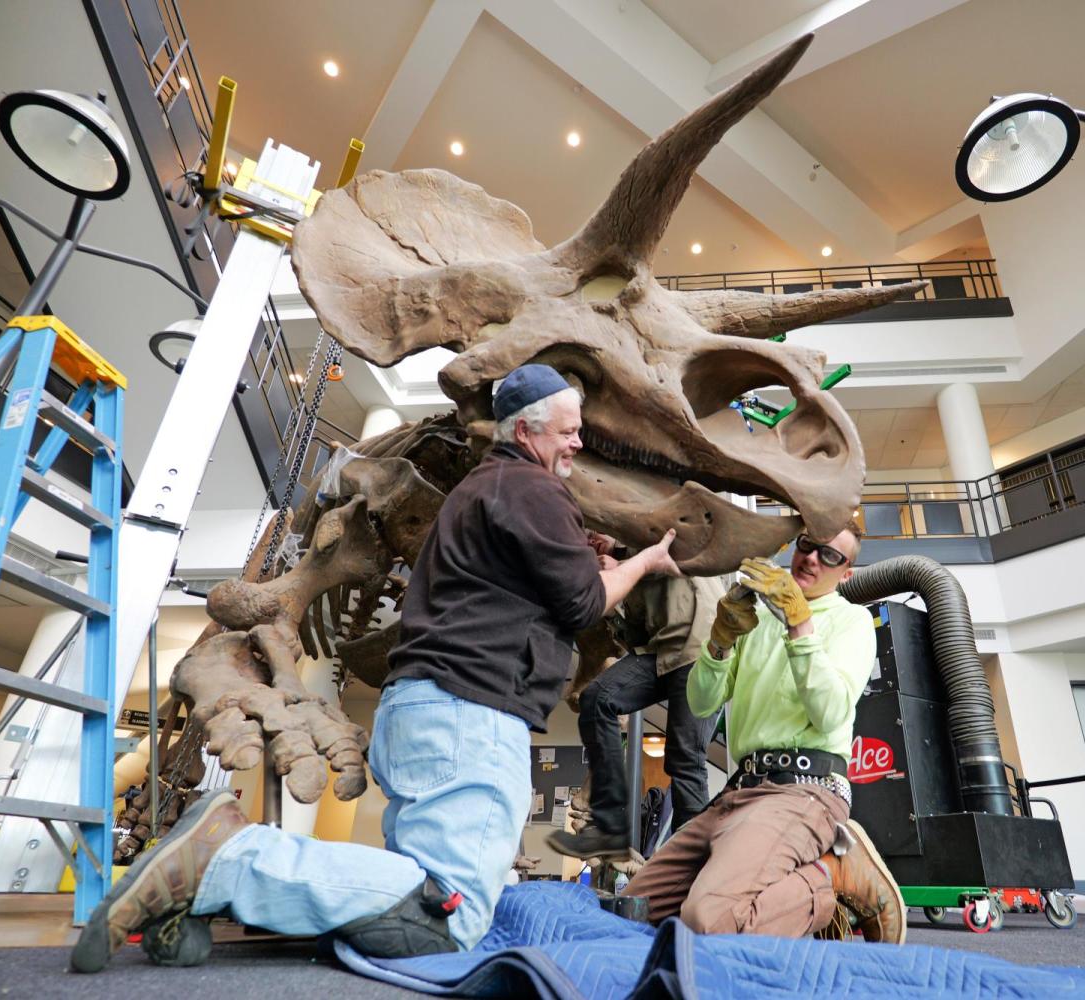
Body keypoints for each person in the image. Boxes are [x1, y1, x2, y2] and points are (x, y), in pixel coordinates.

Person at [72, 364, 681, 973]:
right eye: (569, 432)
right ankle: (231, 858)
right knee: (451, 917)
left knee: (411, 907)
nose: (579, 443)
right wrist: (645, 563)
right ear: (527, 432)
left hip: (423, 705)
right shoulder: (533, 490)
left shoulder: (483, 490)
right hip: (472, 714)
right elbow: (582, 603)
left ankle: (195, 897)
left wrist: (578, 551)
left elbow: (539, 579)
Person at [623, 526, 907, 944]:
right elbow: (702, 703)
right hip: (739, 793)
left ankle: (832, 875)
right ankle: (793, 885)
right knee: (631, 912)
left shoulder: (853, 622)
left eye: (830, 556)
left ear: (847, 574)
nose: (811, 558)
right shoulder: (757, 622)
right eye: (808, 546)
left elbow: (829, 714)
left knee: (709, 920)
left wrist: (799, 624)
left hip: (805, 791)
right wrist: (719, 642)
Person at [546, 556, 725, 861]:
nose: (594, 540)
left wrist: (628, 563)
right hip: (661, 652)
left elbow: (676, 550)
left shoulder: (654, 537)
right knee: (598, 697)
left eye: (596, 534)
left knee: (684, 760)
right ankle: (608, 827)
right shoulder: (626, 558)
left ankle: (692, 864)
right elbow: (636, 634)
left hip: (699, 648)